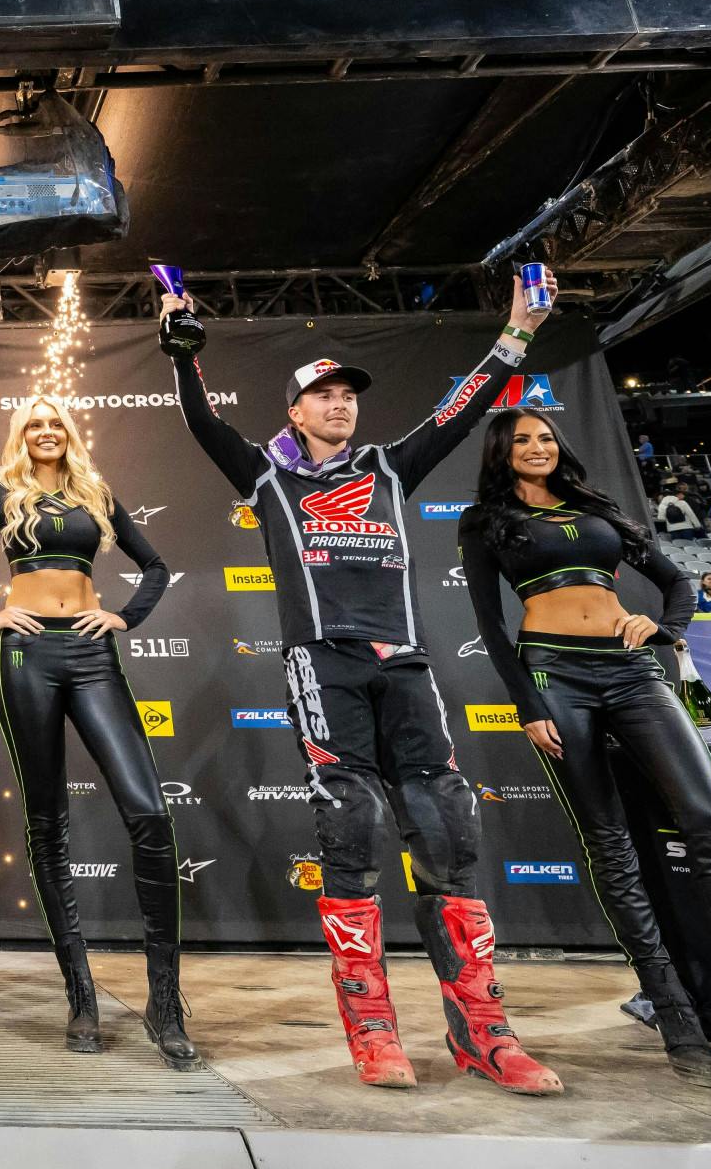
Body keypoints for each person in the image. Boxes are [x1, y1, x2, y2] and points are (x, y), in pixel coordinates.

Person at [160, 270, 561, 1095]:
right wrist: (183, 349)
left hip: (404, 663)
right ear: (294, 412)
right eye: (323, 394)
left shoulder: (387, 466)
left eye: (348, 394)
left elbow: (464, 409)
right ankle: (372, 1029)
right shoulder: (269, 479)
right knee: (349, 826)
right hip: (322, 663)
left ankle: (484, 1033)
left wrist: (517, 332)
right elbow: (200, 422)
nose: (340, 404)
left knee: (447, 830)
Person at [458, 410, 711, 1110]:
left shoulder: (599, 510)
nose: (537, 447)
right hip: (552, 676)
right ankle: (676, 1016)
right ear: (502, 455)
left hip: (630, 671)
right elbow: (487, 623)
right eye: (521, 440)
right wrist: (526, 704)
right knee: (610, 843)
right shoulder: (484, 522)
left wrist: (664, 627)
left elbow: (677, 585)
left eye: (545, 437)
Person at [0, 396, 193, 1065]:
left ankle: (166, 1000)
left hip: (92, 651)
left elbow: (155, 566)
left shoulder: (94, 492)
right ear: (21, 435)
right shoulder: (3, 491)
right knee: (48, 823)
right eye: (35, 425)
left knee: (150, 814)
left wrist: (127, 616)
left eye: (55, 424)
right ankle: (82, 999)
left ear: (70, 435)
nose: (46, 432)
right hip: (27, 653)